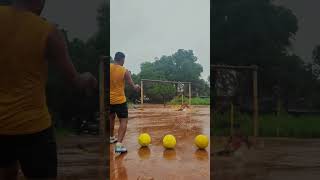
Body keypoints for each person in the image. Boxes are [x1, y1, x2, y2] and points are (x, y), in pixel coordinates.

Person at [0, 0, 97, 179]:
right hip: (33, 129)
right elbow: (74, 81)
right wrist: (88, 78)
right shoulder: (48, 31)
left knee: (7, 169)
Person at [110, 52, 140, 153]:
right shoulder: (124, 71)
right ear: (122, 59)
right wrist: (137, 87)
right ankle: (118, 145)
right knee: (123, 121)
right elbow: (133, 86)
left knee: (111, 118)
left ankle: (111, 137)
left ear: (115, 58)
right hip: (119, 100)